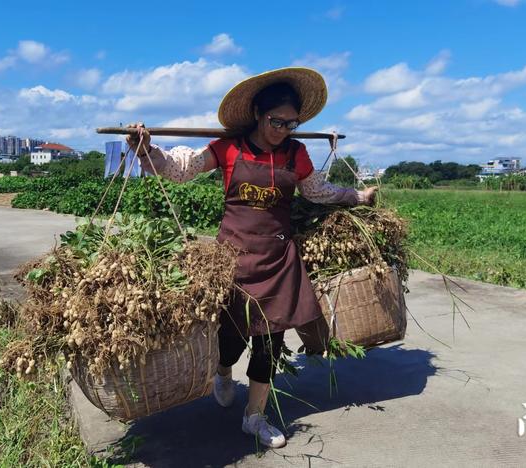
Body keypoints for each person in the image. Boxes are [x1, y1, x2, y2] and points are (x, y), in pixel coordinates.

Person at [126, 67, 377, 449]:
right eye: (276, 121)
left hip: (278, 259)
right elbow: (180, 169)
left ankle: (254, 417)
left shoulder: (296, 153)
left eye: (291, 123)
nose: (283, 129)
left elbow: (316, 192)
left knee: (271, 343)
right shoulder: (230, 148)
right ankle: (223, 372)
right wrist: (145, 147)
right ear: (259, 114)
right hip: (234, 260)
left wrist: (355, 197)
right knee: (231, 338)